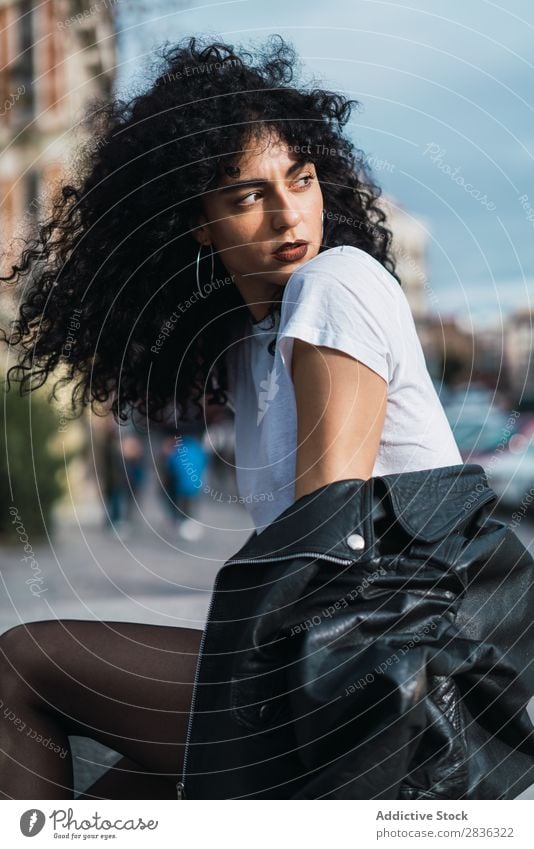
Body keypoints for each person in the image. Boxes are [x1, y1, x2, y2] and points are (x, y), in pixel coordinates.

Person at [0, 34, 463, 799]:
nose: (289, 212)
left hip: (384, 687)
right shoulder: (255, 355)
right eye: (248, 195)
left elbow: (327, 546)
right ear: (200, 225)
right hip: (332, 669)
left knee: (21, 663)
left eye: (301, 178)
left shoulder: (338, 283)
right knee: (115, 805)